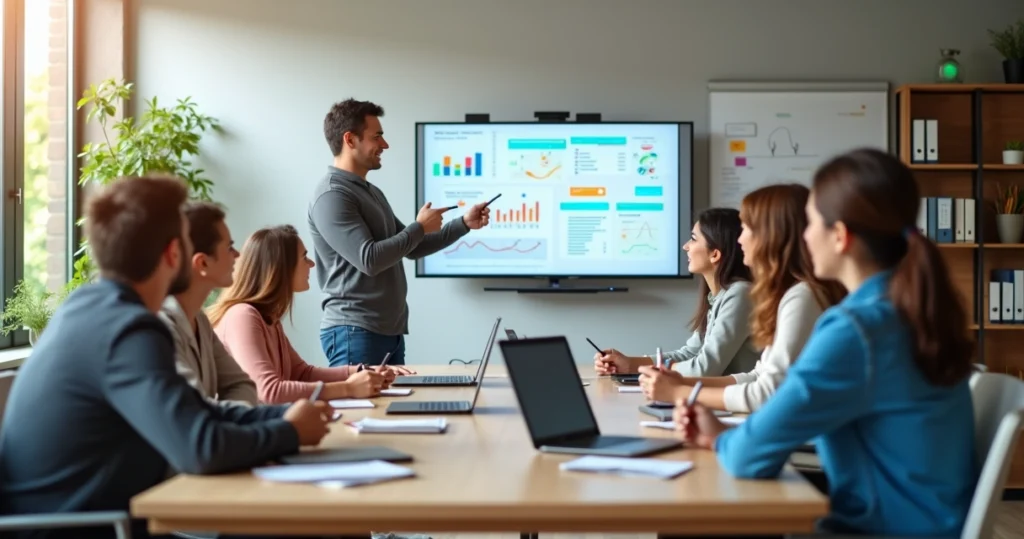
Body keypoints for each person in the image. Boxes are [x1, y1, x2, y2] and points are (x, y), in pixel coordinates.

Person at [0, 175, 331, 539]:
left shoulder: (90, 309)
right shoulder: (127, 330)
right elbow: (200, 448)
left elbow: (194, 412)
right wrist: (288, 432)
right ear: (174, 254)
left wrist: (283, 415)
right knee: (300, 528)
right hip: (84, 530)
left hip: (91, 521)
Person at [675, 149, 977, 536]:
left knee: (698, 521)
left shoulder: (857, 329)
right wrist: (722, 436)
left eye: (810, 223)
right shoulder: (904, 310)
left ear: (839, 237)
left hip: (877, 528)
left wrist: (718, 438)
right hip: (922, 523)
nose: (802, 236)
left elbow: (751, 457)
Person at [309, 98, 491, 368]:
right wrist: (418, 226)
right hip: (354, 331)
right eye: (377, 136)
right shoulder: (332, 195)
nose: (385, 145)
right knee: (359, 411)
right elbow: (369, 260)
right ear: (350, 139)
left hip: (387, 331)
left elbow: (412, 247)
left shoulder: (369, 192)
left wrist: (463, 223)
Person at [639, 185, 846, 412]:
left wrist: (683, 392)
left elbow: (768, 393)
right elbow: (758, 376)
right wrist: (683, 384)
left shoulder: (803, 297)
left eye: (746, 228)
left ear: (771, 236)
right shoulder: (792, 294)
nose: (739, 240)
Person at [209, 225, 405, 404]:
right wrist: (348, 388)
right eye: (304, 257)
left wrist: (364, 371)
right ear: (280, 267)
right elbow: (268, 392)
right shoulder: (242, 316)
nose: (311, 264)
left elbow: (301, 373)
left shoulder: (267, 316)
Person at [594, 208, 760, 377]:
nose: (685, 246)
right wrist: (629, 364)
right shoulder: (718, 297)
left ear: (715, 254)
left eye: (694, 239)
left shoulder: (740, 294)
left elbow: (704, 368)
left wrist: (653, 371)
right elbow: (690, 354)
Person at [158, 201, 259, 407]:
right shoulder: (160, 327)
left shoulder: (200, 320)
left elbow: (241, 384)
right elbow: (193, 410)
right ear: (202, 263)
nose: (237, 255)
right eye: (229, 247)